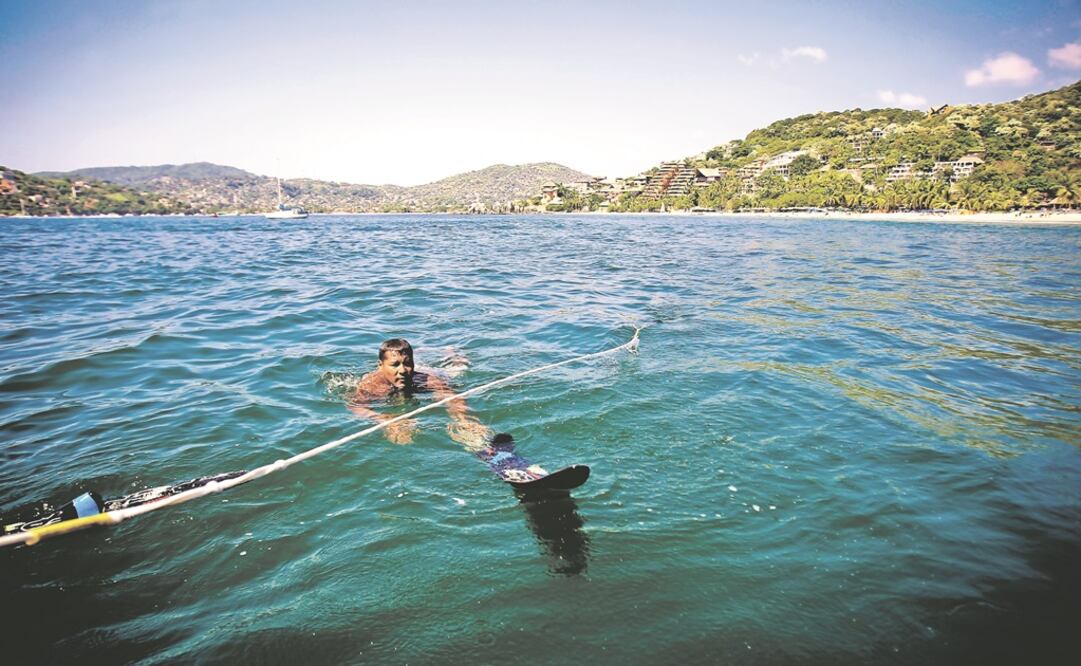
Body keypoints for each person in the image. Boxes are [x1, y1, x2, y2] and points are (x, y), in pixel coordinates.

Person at [347, 338, 492, 448]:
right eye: (395, 365)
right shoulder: (372, 385)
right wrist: (384, 419)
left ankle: (451, 352)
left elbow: (451, 398)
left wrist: (463, 419)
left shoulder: (427, 379)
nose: (403, 370)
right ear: (380, 365)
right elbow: (355, 406)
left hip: (435, 372)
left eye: (408, 363)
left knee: (458, 369)